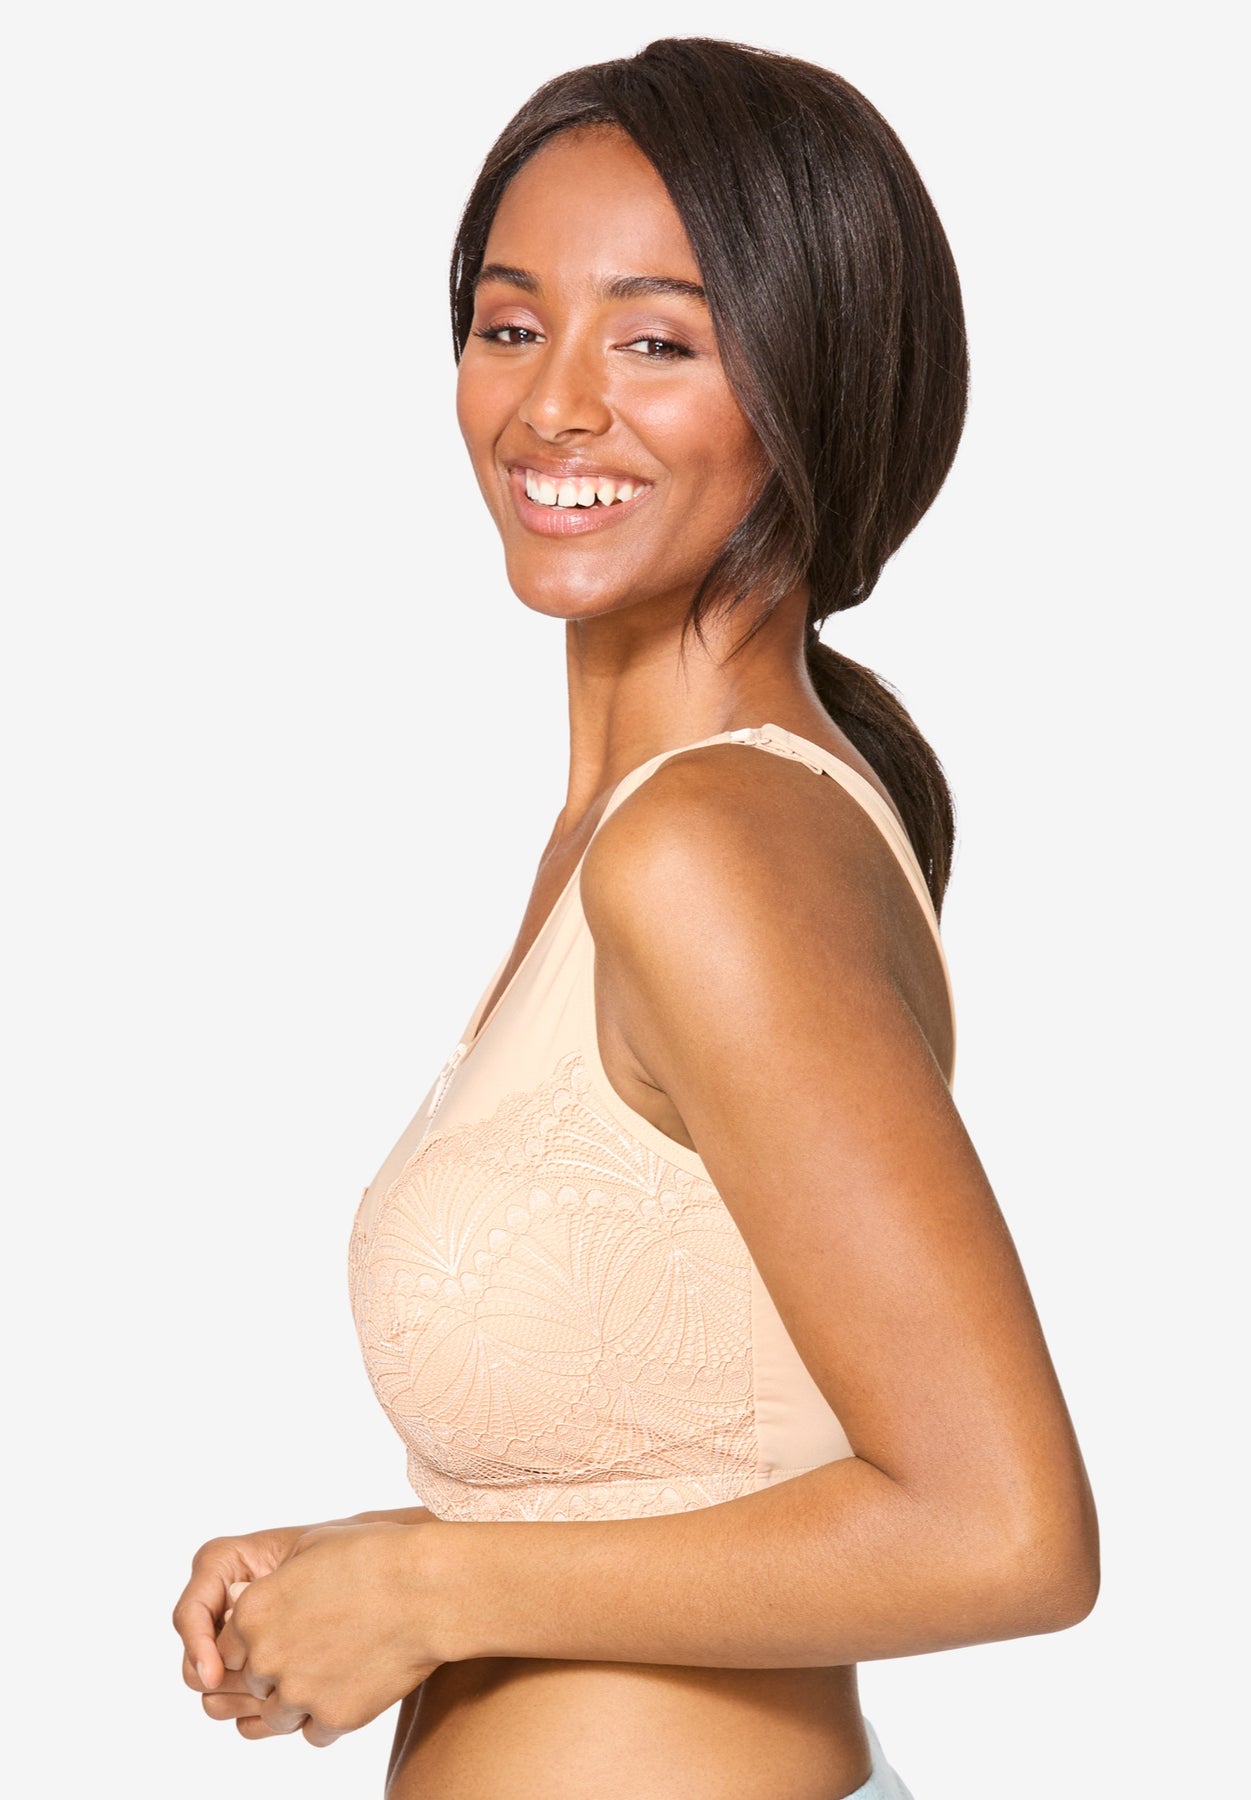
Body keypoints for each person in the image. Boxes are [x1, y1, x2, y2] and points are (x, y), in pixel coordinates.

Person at [172, 36, 1099, 1799]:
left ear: (813, 379)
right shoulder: (661, 826)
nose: (553, 407)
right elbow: (722, 1473)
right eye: (510, 325)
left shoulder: (710, 848)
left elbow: (1006, 1528)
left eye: (657, 341)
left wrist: (433, 1591)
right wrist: (381, 1563)